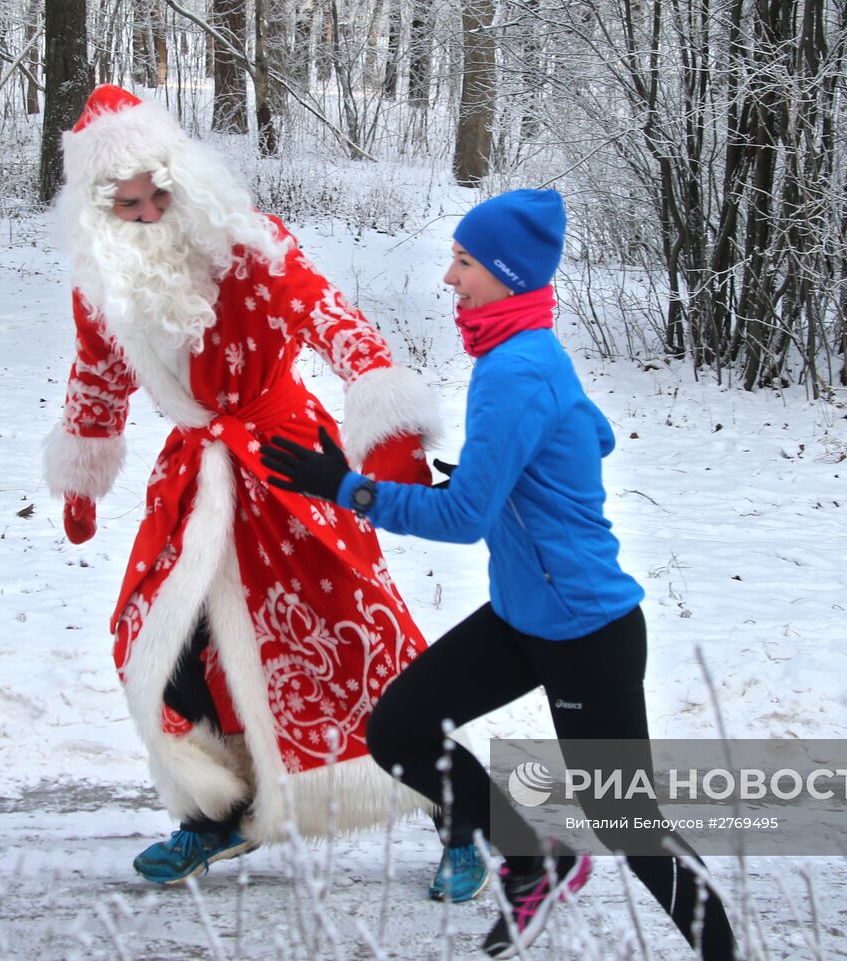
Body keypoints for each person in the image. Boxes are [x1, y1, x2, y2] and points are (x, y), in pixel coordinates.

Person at [260, 189, 736, 959]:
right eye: (453, 257)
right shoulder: (523, 354)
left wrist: (346, 489)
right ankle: (531, 856)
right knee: (402, 728)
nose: (449, 278)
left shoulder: (517, 370)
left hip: (586, 629)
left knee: (630, 825)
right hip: (525, 617)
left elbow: (465, 520)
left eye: (464, 262)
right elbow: (583, 440)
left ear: (508, 275)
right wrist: (494, 472)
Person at [43, 85, 488, 895]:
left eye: (157, 195)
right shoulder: (101, 280)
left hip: (288, 465)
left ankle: (458, 820)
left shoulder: (250, 241)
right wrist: (83, 468)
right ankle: (219, 813)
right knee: (167, 642)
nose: (146, 215)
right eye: (127, 205)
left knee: (360, 640)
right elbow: (98, 372)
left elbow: (333, 319)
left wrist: (384, 425)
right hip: (195, 478)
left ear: (183, 177)